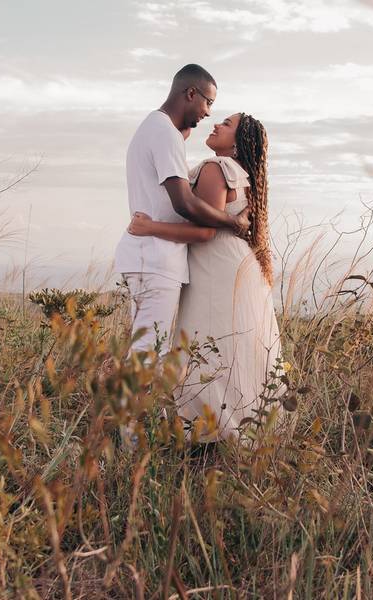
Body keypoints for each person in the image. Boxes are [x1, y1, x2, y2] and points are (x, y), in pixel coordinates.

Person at [127, 112, 283, 444]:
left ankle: (208, 434)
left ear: (239, 143)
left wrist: (149, 227)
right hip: (233, 265)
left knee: (205, 346)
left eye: (226, 124)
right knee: (229, 349)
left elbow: (203, 231)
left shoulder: (217, 169)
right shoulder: (244, 175)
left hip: (215, 268)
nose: (216, 124)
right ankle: (237, 432)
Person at [113, 64, 250, 359]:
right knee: (147, 355)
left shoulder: (158, 128)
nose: (209, 113)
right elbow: (183, 203)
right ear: (191, 93)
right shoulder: (165, 134)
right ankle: (129, 406)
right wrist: (232, 221)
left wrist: (184, 130)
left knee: (148, 351)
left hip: (146, 256)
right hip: (155, 259)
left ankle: (137, 405)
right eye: (208, 102)